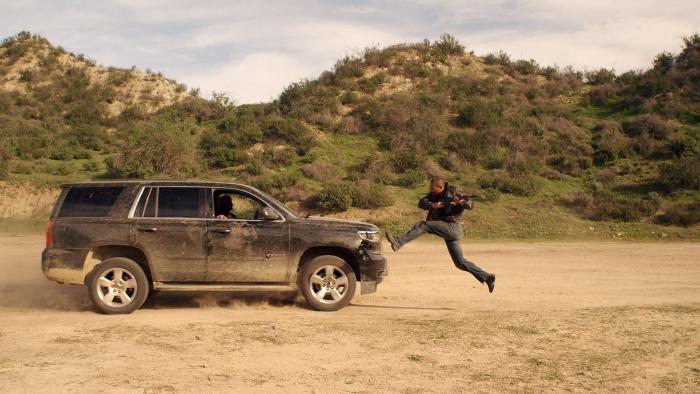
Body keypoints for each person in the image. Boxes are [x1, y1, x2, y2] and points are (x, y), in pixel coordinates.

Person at [386, 175, 496, 293]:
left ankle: (398, 241)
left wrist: (459, 202)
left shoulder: (454, 191)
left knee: (424, 225)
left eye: (432, 188)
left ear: (440, 186)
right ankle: (487, 277)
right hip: (446, 228)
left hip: (453, 227)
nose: (430, 190)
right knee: (460, 263)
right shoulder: (434, 195)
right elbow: (421, 202)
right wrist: (432, 205)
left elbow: (470, 204)